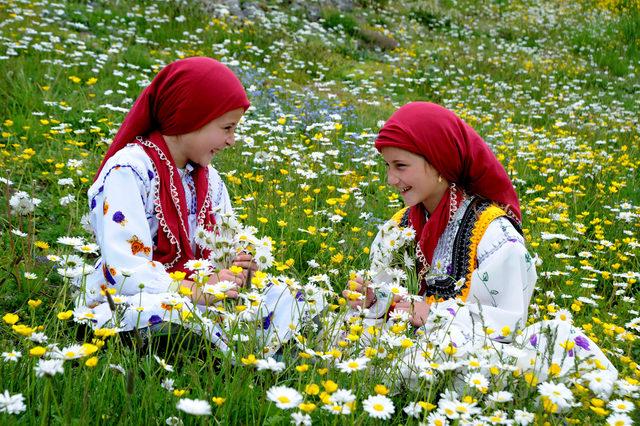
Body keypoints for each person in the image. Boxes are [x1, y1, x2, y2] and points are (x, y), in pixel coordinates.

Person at [342, 102, 618, 395]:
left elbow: (507, 321)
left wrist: (432, 314)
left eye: (400, 166)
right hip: (414, 340)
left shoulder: (493, 233)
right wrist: (375, 298)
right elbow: (396, 300)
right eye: (388, 166)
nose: (391, 179)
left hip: (469, 347)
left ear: (439, 162)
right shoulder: (398, 228)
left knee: (472, 369)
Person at [74, 57, 316, 354]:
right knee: (160, 312)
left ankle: (223, 346)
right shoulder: (129, 170)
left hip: (201, 293)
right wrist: (195, 290)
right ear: (190, 117)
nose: (232, 140)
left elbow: (223, 247)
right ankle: (193, 346)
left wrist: (237, 269)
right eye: (227, 128)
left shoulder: (209, 180)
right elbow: (125, 267)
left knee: (289, 294)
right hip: (139, 292)